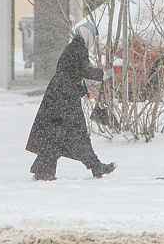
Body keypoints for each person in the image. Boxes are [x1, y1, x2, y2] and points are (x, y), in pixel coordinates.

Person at [26, 34, 116, 181]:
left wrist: (83, 90)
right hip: (65, 98)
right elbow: (84, 70)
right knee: (74, 133)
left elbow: (71, 72)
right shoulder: (79, 49)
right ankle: (94, 166)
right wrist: (103, 74)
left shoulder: (72, 47)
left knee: (56, 134)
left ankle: (44, 170)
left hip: (59, 96)